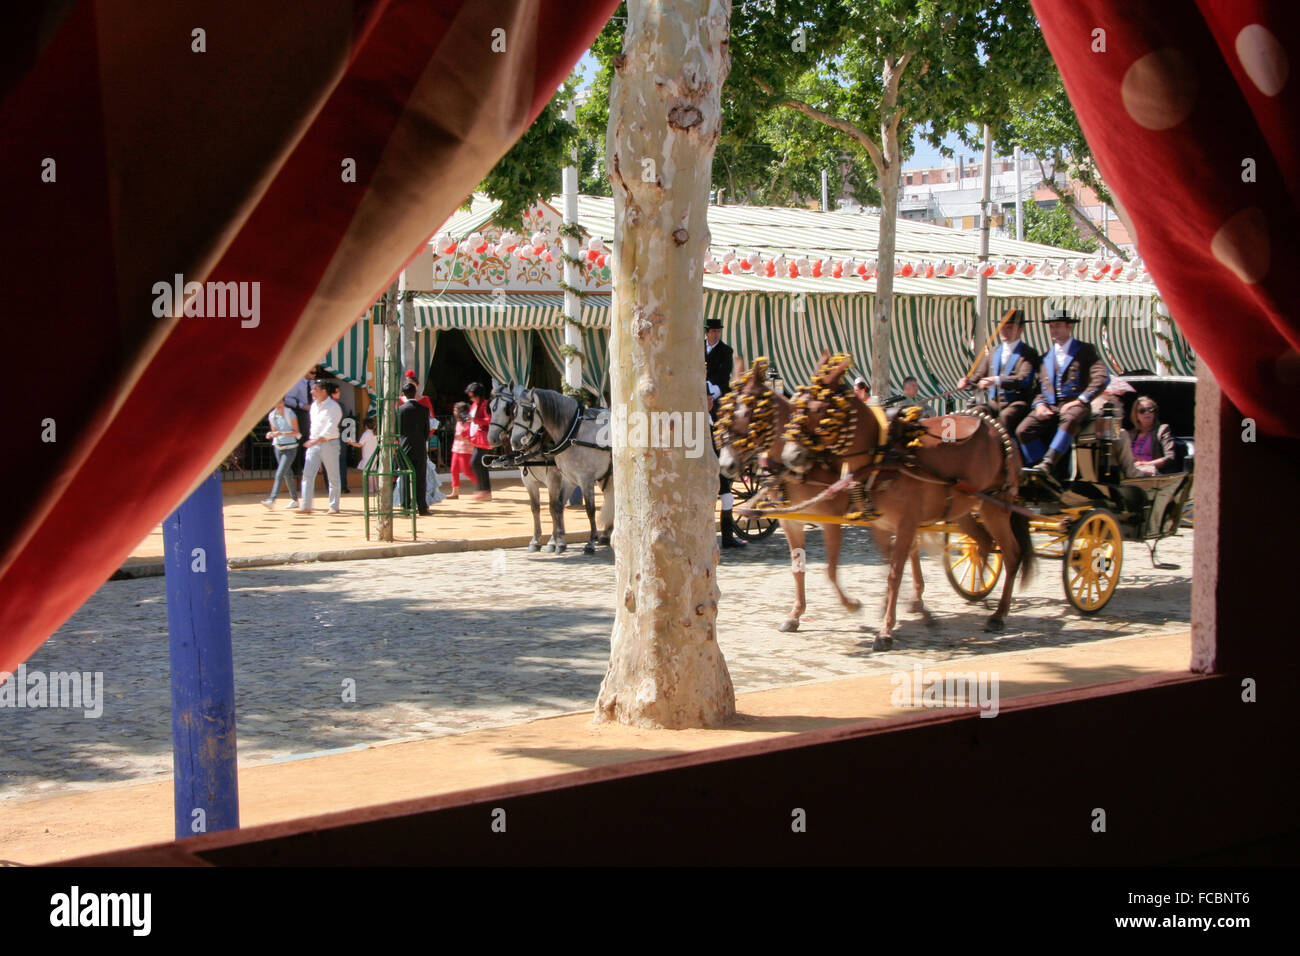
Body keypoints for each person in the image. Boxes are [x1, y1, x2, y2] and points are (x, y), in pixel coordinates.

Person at [1017, 308, 1110, 475]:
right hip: (1051, 405)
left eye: (1058, 326)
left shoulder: (1085, 350)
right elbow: (1039, 388)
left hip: (1076, 403)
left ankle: (1049, 463)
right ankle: (1037, 466)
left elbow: (1101, 377)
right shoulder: (1045, 357)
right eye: (1051, 326)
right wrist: (1039, 405)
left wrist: (1081, 399)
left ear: (1069, 327)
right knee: (1023, 430)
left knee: (1070, 418)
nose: (1054, 330)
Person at [956, 308, 1041, 436]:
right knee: (972, 414)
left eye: (1010, 327)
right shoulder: (994, 351)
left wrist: (996, 380)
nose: (1004, 331)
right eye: (1003, 327)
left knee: (1005, 418)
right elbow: (980, 375)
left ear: (1020, 330)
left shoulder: (1028, 353)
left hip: (1018, 403)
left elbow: (1023, 379)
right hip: (994, 403)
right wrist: (967, 383)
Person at [707, 381, 745, 550]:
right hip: (706, 467)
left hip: (716, 464)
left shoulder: (713, 415)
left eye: (711, 399)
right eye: (708, 399)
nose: (711, 402)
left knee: (727, 497)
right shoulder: (700, 419)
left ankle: (728, 537)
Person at [298, 380, 343, 514]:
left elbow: (329, 429)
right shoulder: (313, 406)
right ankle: (306, 505)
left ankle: (333, 506)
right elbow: (314, 427)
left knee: (333, 477)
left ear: (323, 391)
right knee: (307, 475)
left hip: (329, 444)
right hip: (315, 444)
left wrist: (314, 441)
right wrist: (313, 441)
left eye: (314, 389)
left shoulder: (333, 407)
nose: (311, 392)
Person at [1116, 396, 1176, 477]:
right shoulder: (1130, 434)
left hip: (1152, 472)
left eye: (1150, 410)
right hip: (1131, 470)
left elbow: (1170, 458)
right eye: (1142, 411)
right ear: (1136, 415)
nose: (1147, 413)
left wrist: (1146, 464)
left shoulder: (1162, 430)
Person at [397, 382, 430, 515]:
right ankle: (422, 507)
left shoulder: (400, 410)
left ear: (403, 395)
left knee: (405, 476)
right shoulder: (424, 409)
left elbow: (397, 430)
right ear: (415, 393)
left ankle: (406, 506)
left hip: (405, 446)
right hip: (420, 446)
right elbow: (426, 430)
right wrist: (422, 440)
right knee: (420, 477)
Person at [262, 398, 301, 509]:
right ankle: (295, 500)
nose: (277, 404)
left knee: (280, 473)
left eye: (279, 401)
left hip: (290, 448)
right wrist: (270, 434)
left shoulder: (290, 413)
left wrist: (282, 433)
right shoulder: (272, 415)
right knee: (287, 474)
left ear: (283, 402)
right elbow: (274, 432)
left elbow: (296, 432)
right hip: (278, 447)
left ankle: (272, 500)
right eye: (275, 401)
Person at [284, 370, 313, 482]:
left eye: (315, 373)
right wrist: (302, 406)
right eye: (312, 372)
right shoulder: (297, 383)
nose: (313, 375)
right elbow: (288, 399)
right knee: (300, 440)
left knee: (310, 441)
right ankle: (297, 470)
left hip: (312, 414)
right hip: (301, 413)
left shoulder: (314, 384)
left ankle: (307, 468)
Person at [466, 382, 493, 501]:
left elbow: (489, 420)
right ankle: (484, 490)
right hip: (477, 438)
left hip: (483, 438)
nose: (471, 399)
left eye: (473, 396)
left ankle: (484, 489)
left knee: (476, 462)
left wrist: (475, 420)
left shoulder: (485, 404)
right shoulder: (474, 405)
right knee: (479, 464)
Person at [448, 401, 477, 499]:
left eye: (456, 410)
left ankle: (482, 486)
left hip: (466, 449)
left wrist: (461, 436)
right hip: (457, 448)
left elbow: (470, 434)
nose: (454, 412)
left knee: (467, 471)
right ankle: (455, 492)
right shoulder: (460, 421)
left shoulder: (468, 421)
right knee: (454, 470)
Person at [329, 382, 352, 494]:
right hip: (335, 435)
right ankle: (341, 486)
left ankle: (340, 486)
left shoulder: (340, 405)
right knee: (338, 461)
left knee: (338, 461)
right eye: (337, 391)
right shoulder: (338, 406)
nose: (339, 393)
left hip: (337, 435)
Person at [348, 415, 379, 494]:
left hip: (367, 456)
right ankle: (376, 488)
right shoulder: (375, 434)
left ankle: (371, 489)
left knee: (369, 473)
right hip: (374, 456)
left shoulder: (366, 434)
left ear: (365, 426)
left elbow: (360, 445)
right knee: (373, 473)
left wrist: (351, 443)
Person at [704, 318, 735, 398]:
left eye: (718, 331)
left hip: (718, 385)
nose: (716, 334)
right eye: (713, 331)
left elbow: (724, 373)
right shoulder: (698, 347)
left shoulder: (726, 350)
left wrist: (708, 383)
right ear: (707, 333)